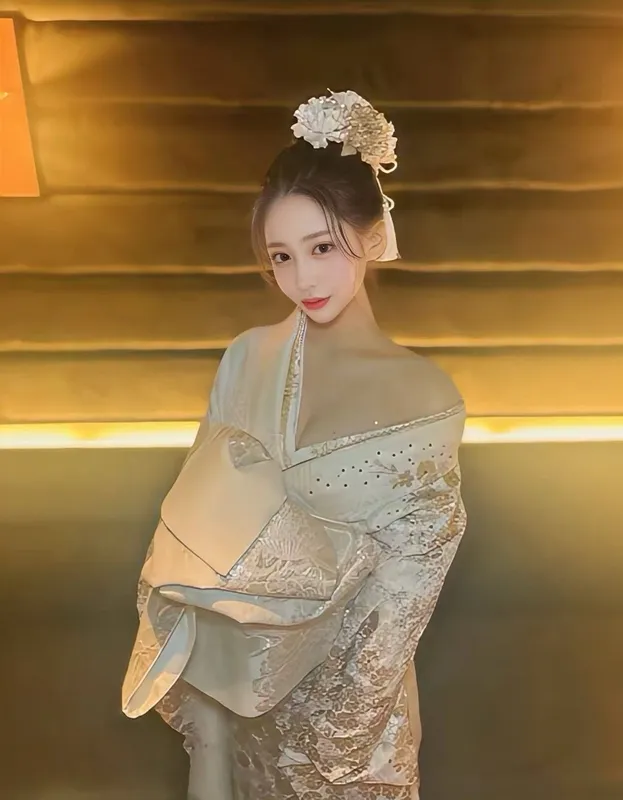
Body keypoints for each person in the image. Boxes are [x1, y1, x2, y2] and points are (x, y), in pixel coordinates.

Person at [122, 90, 467, 800]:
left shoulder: (424, 396)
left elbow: (401, 602)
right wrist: (209, 727)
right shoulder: (248, 358)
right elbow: (189, 533)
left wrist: (329, 750)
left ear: (372, 234)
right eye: (281, 256)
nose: (302, 278)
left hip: (352, 726)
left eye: (323, 247)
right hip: (235, 696)